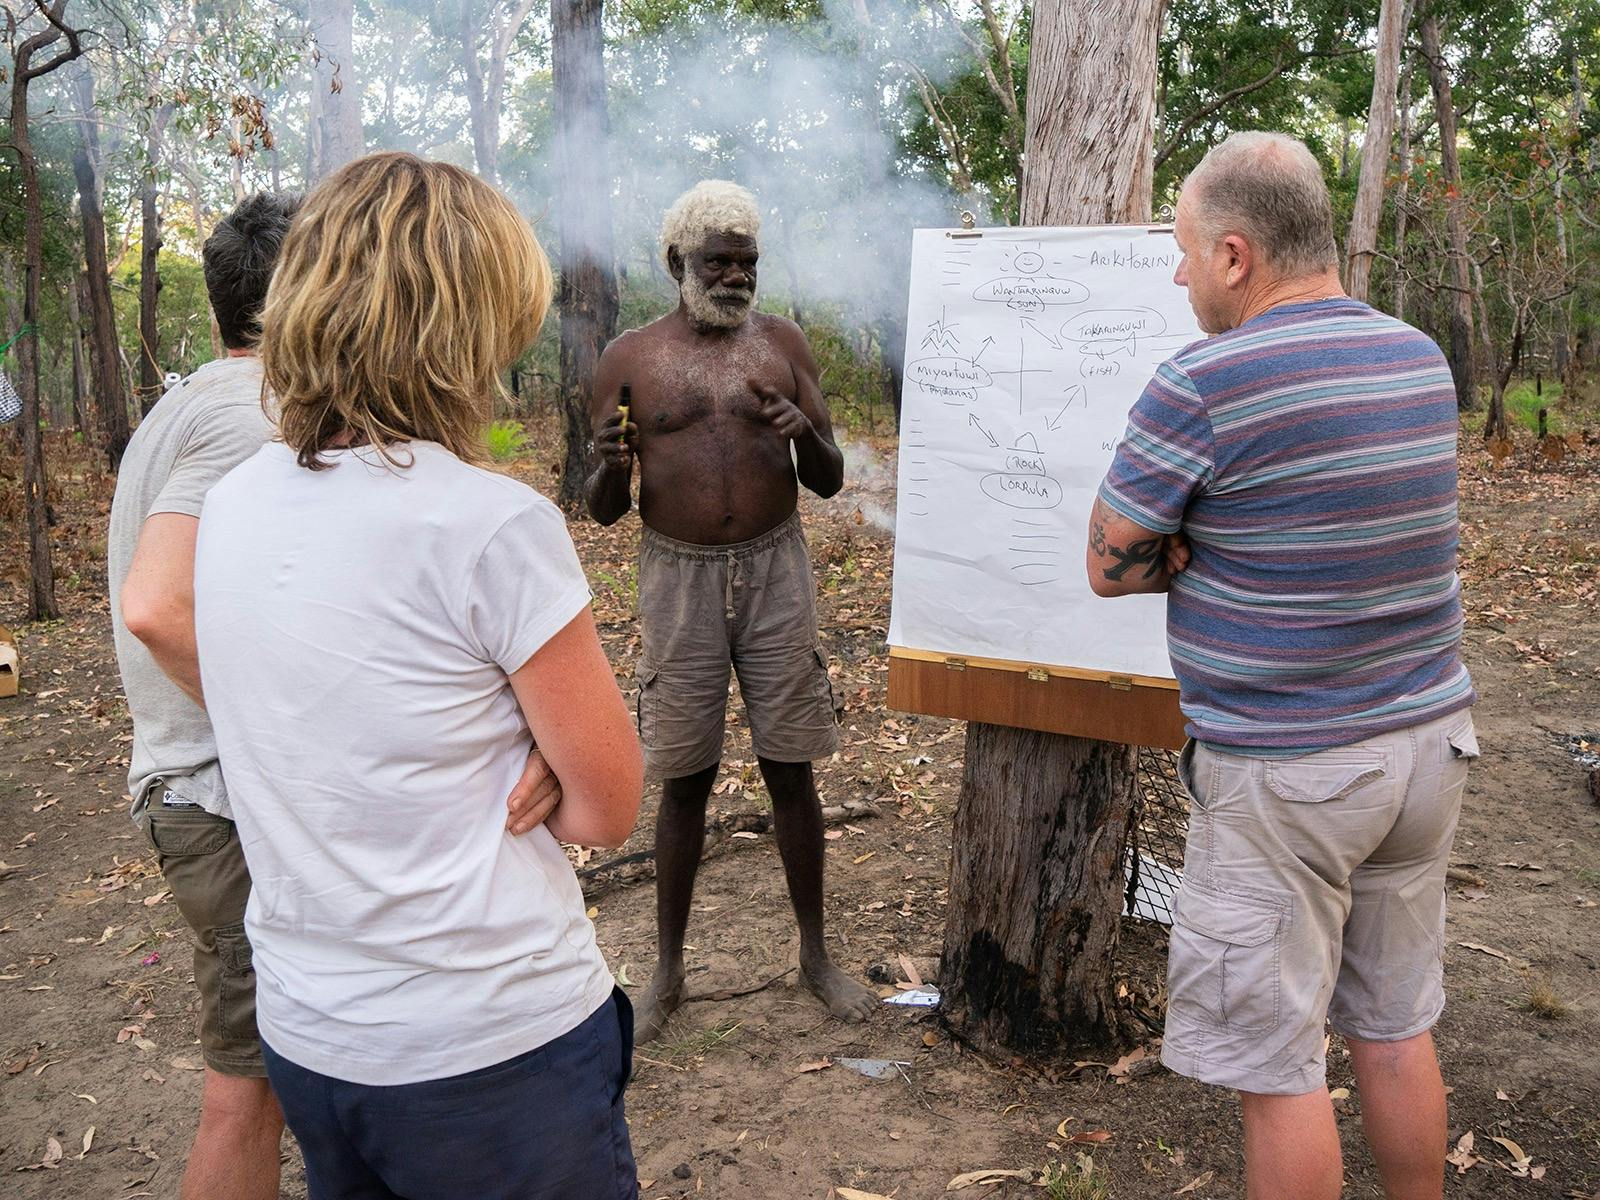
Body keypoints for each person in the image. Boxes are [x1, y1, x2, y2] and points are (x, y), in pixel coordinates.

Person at [191, 152, 643, 1200]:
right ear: (465, 326)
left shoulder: (235, 503)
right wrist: (536, 744)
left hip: (313, 1033)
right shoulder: (490, 523)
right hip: (491, 1047)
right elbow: (605, 808)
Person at [1088, 131, 1477, 1200]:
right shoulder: (1417, 354)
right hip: (1425, 750)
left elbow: (1109, 563)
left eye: (1182, 249)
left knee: (1280, 1068)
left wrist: (1195, 540)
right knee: (1394, 1032)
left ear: (1233, 254)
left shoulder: (1204, 381)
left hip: (1290, 775)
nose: (1176, 273)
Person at [586, 180, 876, 1042]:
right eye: (719, 261)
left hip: (775, 569)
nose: (736, 276)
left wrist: (805, 431)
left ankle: (815, 958)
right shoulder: (629, 358)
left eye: (747, 262)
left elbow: (828, 478)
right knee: (685, 777)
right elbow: (605, 506)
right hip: (677, 578)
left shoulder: (783, 345)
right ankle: (668, 974)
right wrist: (607, 463)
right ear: (677, 262)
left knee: (792, 766)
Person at [109, 192, 299, 1200]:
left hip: (198, 794)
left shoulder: (187, 400)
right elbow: (155, 608)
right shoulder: (248, 414)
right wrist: (279, 732)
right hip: (218, 801)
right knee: (248, 1094)